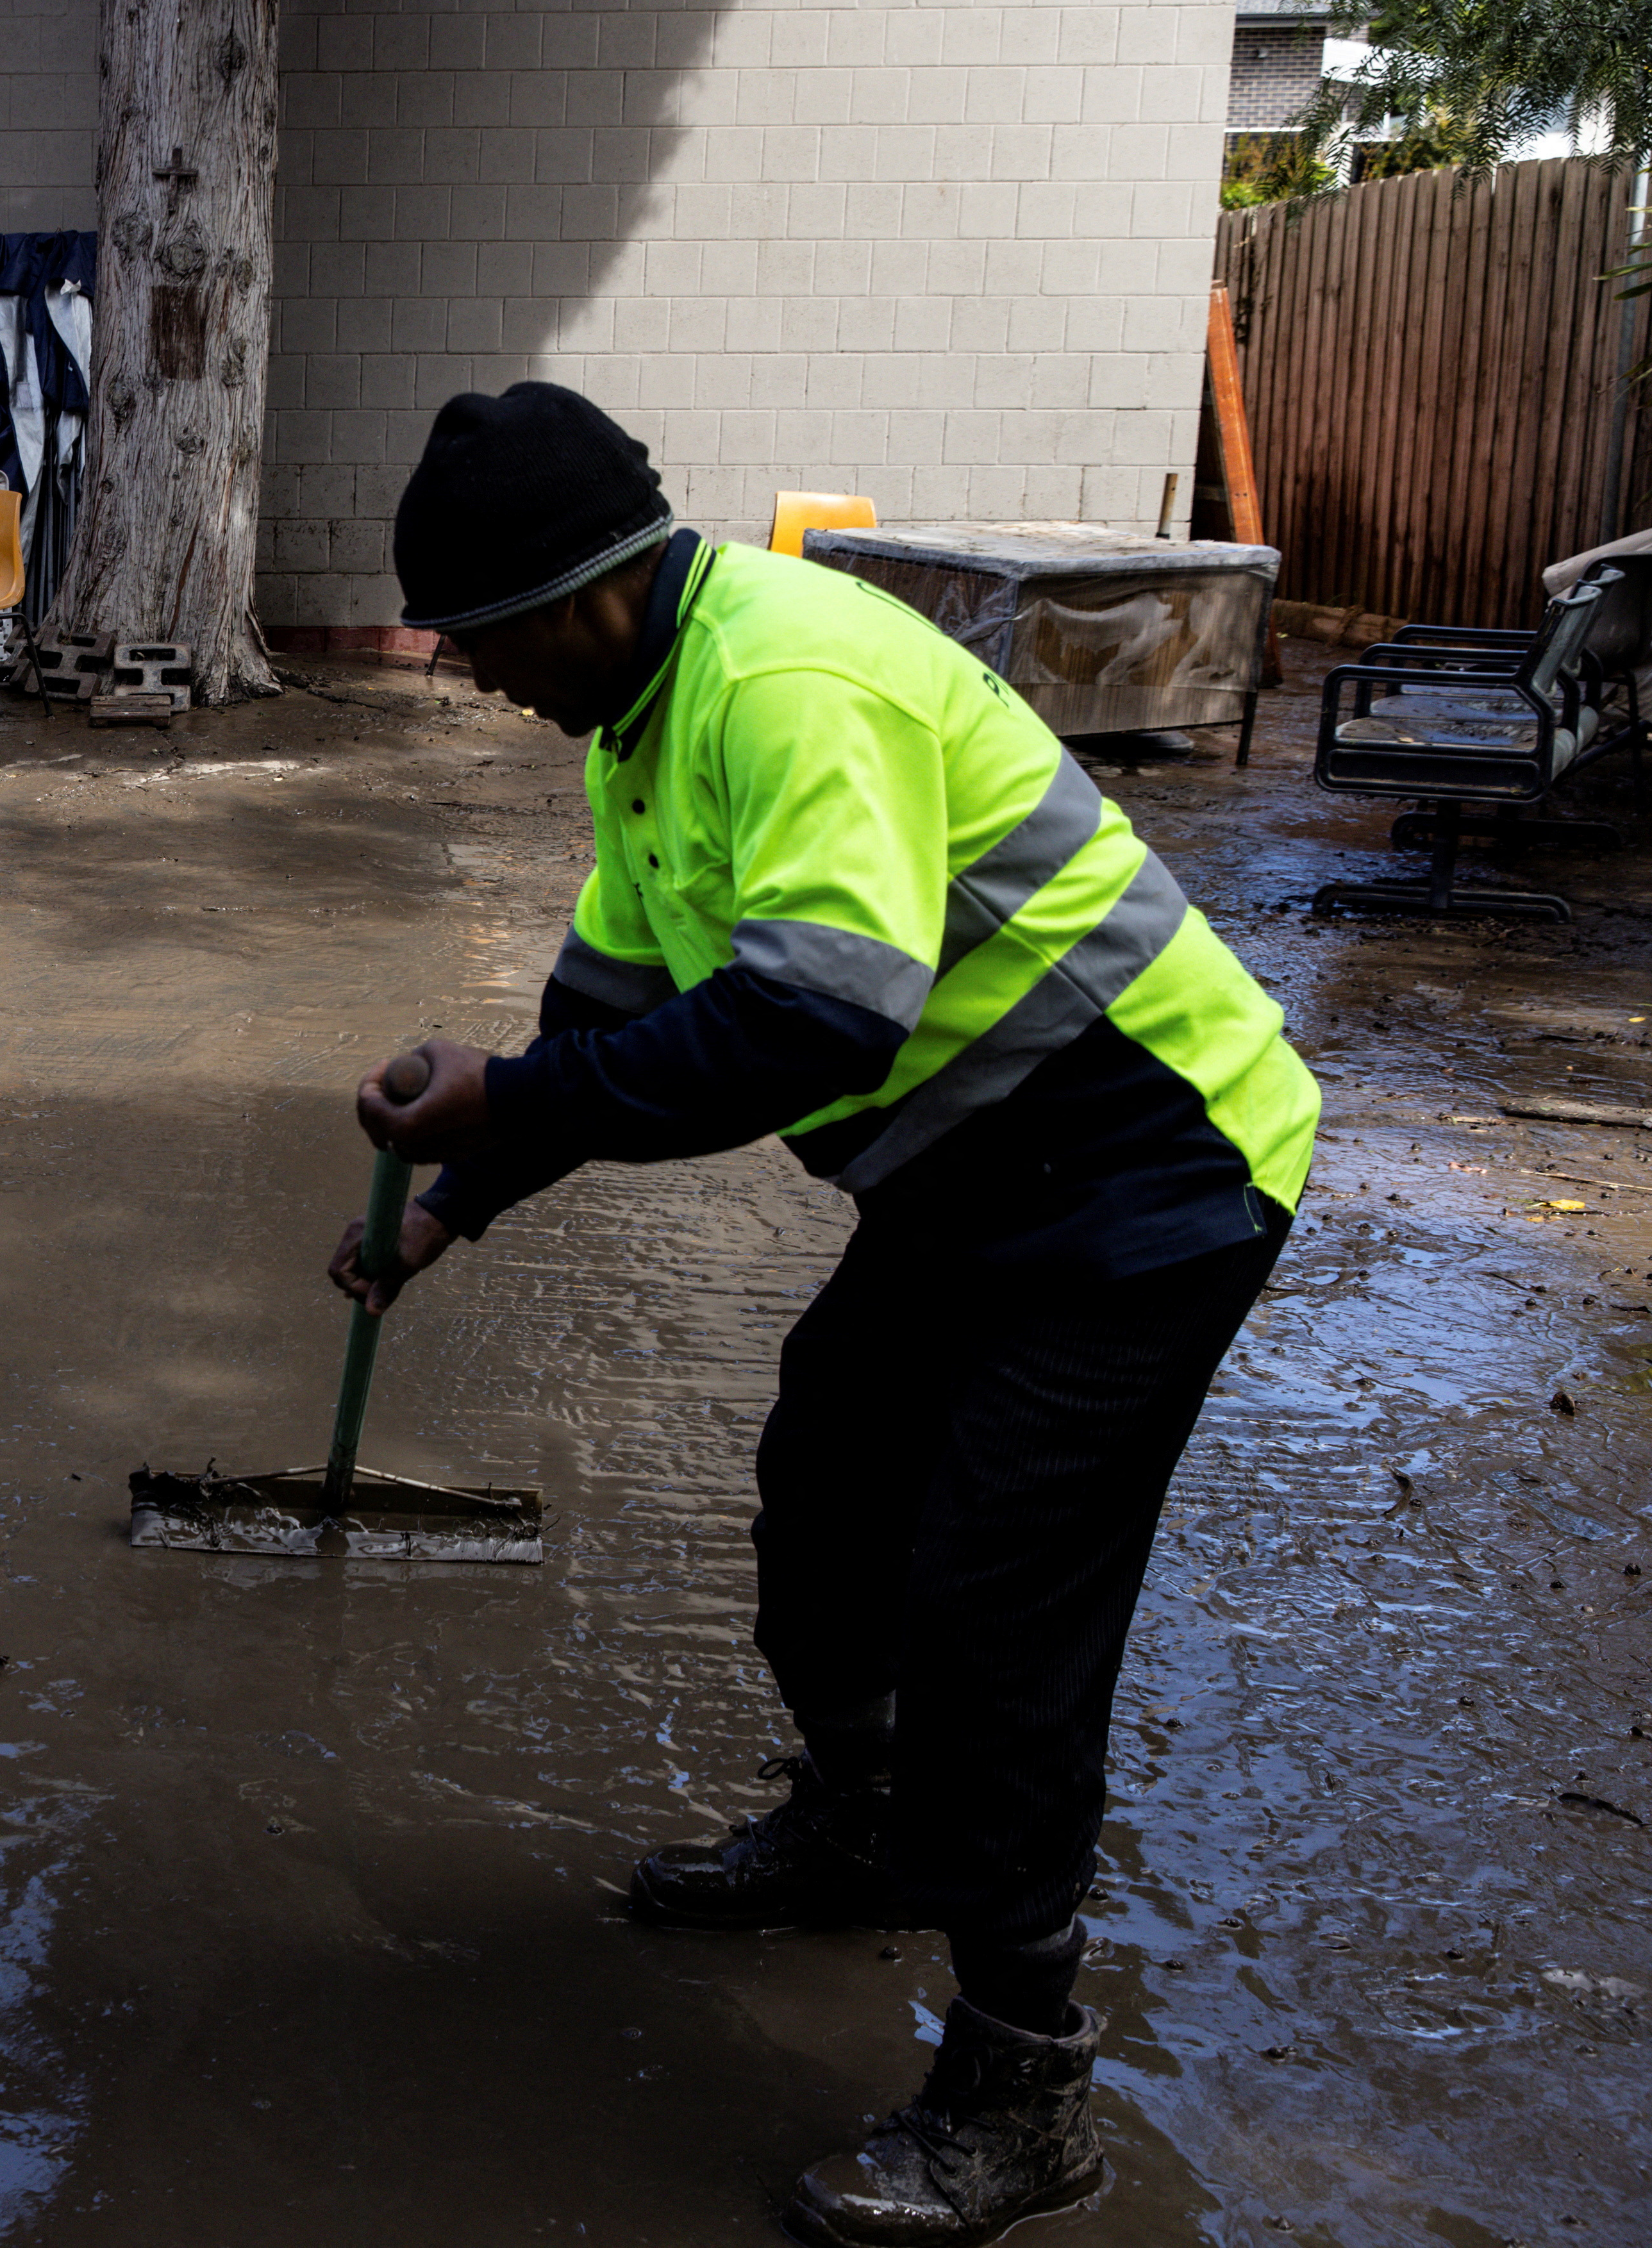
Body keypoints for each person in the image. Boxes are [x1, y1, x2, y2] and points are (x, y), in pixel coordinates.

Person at [330, 385, 1317, 2247]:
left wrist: (511, 1105)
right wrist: (451, 1202)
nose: (471, 681)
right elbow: (606, 1024)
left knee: (994, 1601)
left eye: (476, 642)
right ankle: (862, 1827)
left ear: (583, 595)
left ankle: (1022, 2089)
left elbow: (811, 1021)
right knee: (828, 1485)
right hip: (972, 1181)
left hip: (1148, 1172)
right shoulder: (645, 719)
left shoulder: (787, 681)